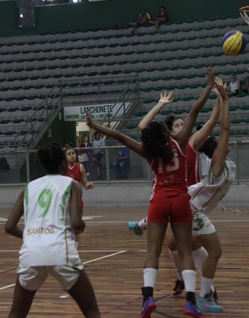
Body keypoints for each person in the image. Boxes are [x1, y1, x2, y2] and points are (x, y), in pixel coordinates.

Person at [86, 93, 205, 318]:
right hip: (180, 200)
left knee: (153, 251)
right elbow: (194, 111)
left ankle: (147, 297)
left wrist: (94, 125)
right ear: (166, 133)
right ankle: (190, 301)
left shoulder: (147, 151)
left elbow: (119, 136)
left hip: (159, 201)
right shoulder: (179, 143)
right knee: (186, 251)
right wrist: (209, 89)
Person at [4, 143, 100, 318]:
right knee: (91, 311)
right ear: (64, 163)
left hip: (31, 252)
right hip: (59, 251)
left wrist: (29, 236)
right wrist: (82, 226)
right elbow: (77, 224)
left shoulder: (29, 187)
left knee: (16, 314)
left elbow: (9, 226)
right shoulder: (72, 184)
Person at [187, 80, 233, 313]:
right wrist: (225, 99)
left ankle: (144, 223)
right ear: (217, 149)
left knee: (190, 249)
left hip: (192, 208)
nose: (227, 142)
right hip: (195, 212)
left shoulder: (219, 161)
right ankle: (204, 296)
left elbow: (222, 130)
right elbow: (224, 129)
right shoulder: (217, 163)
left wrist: (222, 98)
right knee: (215, 251)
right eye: (222, 144)